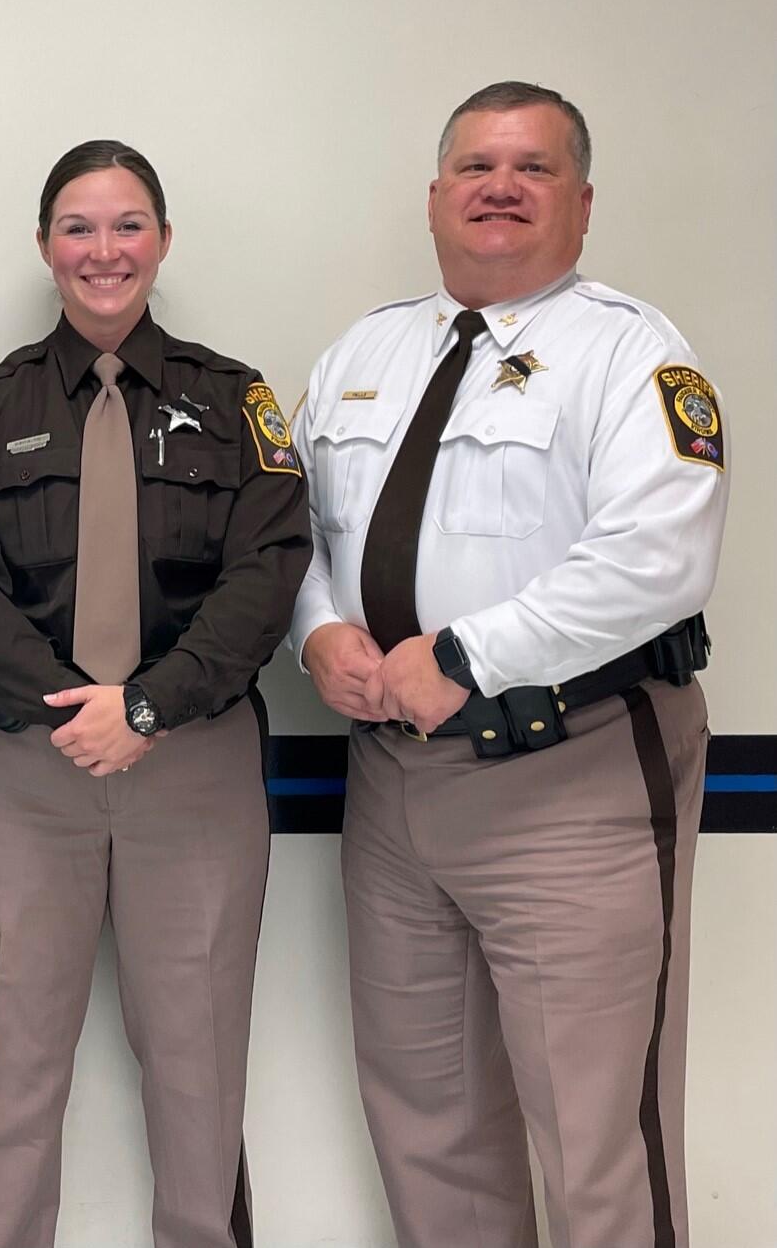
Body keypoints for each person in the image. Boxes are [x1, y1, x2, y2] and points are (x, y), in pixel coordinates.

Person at [289, 81, 729, 1247]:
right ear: (435, 199)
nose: (499, 186)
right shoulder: (363, 352)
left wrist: (474, 652)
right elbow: (293, 534)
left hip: (568, 781)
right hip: (391, 787)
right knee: (428, 1122)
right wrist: (320, 627)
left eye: (531, 169)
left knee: (596, 1141)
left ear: (581, 205)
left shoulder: (630, 354)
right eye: (476, 166)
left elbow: (659, 558)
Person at [0, 140, 312, 1248]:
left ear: (164, 242)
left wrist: (147, 707)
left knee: (197, 1071)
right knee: (13, 1069)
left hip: (192, 768)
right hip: (24, 771)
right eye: (80, 228)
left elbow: (268, 572)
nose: (105, 251)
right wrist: (71, 706)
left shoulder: (236, 402)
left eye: (128, 225)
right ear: (46, 246)